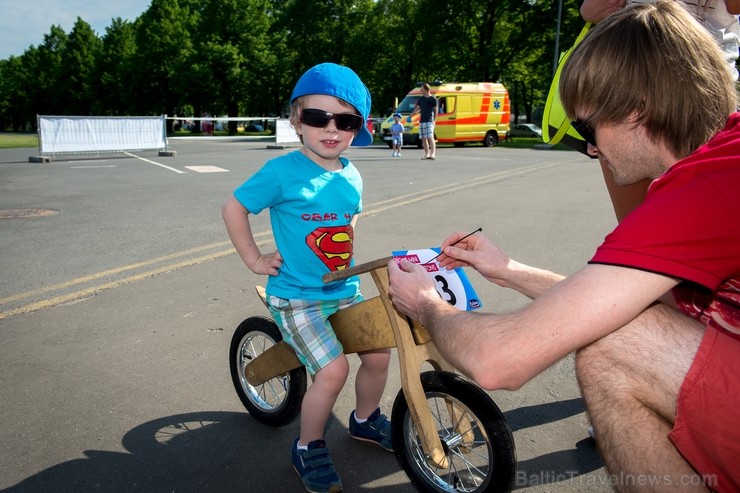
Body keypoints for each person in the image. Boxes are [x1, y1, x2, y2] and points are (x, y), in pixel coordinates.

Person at [386, 2, 740, 491]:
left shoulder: (697, 194)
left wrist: (424, 304)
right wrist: (505, 268)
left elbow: (498, 361)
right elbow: (622, 302)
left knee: (609, 351)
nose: (591, 149)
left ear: (638, 108)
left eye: (588, 129)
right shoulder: (721, 159)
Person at [222, 62, 392, 493]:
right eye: (318, 117)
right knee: (332, 372)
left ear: (359, 128)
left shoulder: (352, 173)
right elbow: (235, 208)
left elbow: (350, 220)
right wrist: (254, 258)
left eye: (347, 120)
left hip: (343, 288)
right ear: (298, 120)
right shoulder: (282, 172)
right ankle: (308, 446)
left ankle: (365, 419)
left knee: (379, 353)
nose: (331, 128)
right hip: (297, 295)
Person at [579, 0, 740, 222]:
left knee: (705, 225)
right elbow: (592, 9)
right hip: (626, 83)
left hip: (701, 87)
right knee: (635, 227)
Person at [410, 82, 438, 160]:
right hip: (422, 121)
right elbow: (417, 108)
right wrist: (412, 114)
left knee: (430, 137)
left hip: (430, 120)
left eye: (422, 89)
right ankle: (427, 154)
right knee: (423, 138)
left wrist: (434, 121)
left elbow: (436, 111)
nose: (420, 90)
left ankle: (433, 154)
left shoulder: (433, 99)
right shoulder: (421, 99)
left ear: (426, 89)